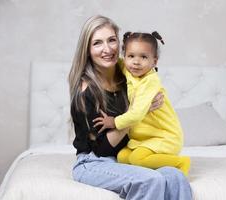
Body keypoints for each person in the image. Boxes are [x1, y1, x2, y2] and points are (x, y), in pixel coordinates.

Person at [69, 15, 192, 200]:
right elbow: (102, 149)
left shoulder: (128, 75)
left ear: (120, 44)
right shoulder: (86, 90)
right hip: (93, 161)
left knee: (175, 176)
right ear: (87, 50)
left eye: (111, 40)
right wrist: (140, 112)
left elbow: (149, 72)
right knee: (150, 180)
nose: (107, 49)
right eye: (97, 43)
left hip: (124, 156)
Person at [93, 31, 191, 176]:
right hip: (143, 138)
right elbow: (113, 62)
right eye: (131, 56)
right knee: (122, 157)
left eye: (143, 57)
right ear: (125, 56)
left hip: (164, 136)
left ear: (154, 61)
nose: (136, 62)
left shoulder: (150, 81)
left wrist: (114, 122)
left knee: (137, 159)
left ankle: (180, 162)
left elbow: (136, 115)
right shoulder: (129, 70)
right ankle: (150, 170)